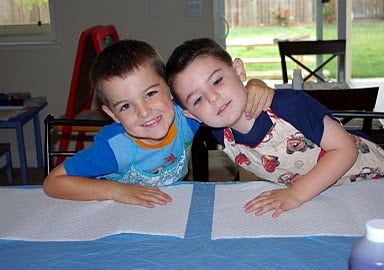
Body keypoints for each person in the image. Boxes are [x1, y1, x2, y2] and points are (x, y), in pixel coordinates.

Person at [166, 37, 384, 218]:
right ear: (190, 114)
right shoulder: (219, 129)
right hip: (324, 196)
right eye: (198, 100)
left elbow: (346, 150)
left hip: (371, 184)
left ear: (238, 71)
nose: (213, 98)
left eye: (217, 81)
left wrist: (295, 193)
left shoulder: (289, 105)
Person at [43, 39, 274, 208]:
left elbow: (227, 100)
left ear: (171, 89)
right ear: (112, 115)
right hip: (115, 215)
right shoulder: (115, 149)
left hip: (167, 210)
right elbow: (53, 183)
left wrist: (254, 85)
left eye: (151, 94)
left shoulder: (187, 117)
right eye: (125, 106)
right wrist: (116, 191)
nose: (144, 112)